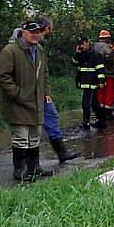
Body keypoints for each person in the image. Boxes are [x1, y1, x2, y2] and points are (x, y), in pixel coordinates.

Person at [0, 19, 54, 182]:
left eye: (38, 33)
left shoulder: (40, 50)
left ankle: (34, 167)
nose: (36, 36)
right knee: (21, 136)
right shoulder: (10, 51)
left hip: (36, 101)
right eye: (32, 33)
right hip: (17, 102)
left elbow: (45, 74)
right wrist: (17, 94)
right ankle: (19, 169)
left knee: (35, 135)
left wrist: (46, 92)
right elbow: (3, 77)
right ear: (23, 32)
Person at [38, 17, 78, 162]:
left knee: (52, 117)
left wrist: (47, 91)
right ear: (46, 28)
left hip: (41, 92)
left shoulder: (39, 47)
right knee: (31, 127)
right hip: (30, 93)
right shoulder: (28, 48)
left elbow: (44, 73)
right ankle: (28, 165)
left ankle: (61, 153)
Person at [73, 36, 107, 129]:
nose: (81, 46)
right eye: (79, 45)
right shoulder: (82, 54)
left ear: (87, 43)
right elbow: (75, 63)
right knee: (94, 103)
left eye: (82, 44)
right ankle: (101, 120)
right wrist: (77, 53)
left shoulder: (95, 54)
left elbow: (100, 69)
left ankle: (86, 122)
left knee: (86, 103)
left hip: (93, 83)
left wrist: (101, 81)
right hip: (85, 82)